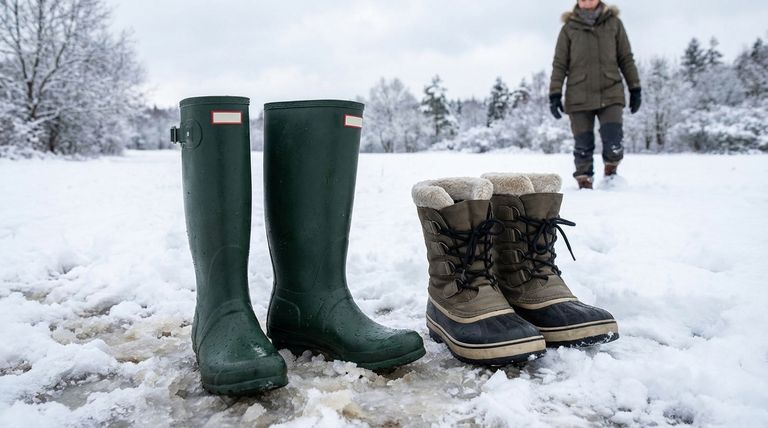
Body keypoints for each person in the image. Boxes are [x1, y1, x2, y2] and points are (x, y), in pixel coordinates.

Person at [549, 0, 641, 189]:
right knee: (582, 142)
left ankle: (611, 172)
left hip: (611, 91)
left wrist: (635, 87)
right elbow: (559, 63)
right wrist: (555, 93)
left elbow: (625, 57)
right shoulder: (569, 28)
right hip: (578, 94)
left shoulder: (614, 23)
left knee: (613, 137)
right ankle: (584, 181)